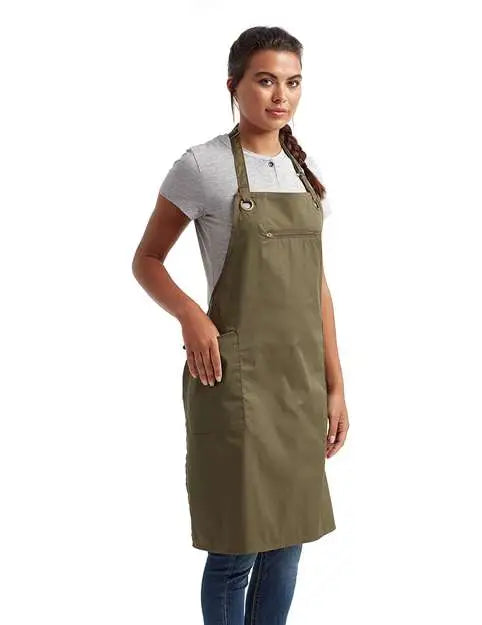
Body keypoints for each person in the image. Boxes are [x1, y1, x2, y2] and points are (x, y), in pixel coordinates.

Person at [132, 25, 349, 625]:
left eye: (293, 82)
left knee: (287, 544)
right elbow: (146, 259)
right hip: (236, 383)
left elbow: (318, 290)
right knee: (236, 550)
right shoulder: (201, 167)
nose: (281, 95)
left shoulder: (305, 172)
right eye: (266, 80)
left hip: (298, 385)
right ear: (234, 85)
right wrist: (191, 315)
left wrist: (335, 385)